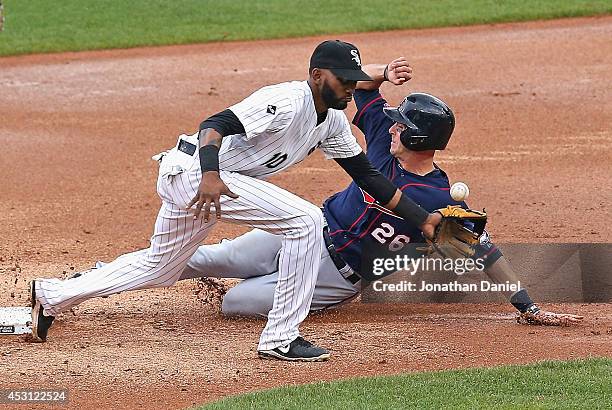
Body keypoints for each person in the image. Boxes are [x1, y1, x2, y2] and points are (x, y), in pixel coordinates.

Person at [30, 41, 443, 362]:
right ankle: (281, 338)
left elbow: (368, 176)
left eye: (355, 79)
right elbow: (215, 124)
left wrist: (421, 218)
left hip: (209, 181)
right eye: (343, 79)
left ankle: (51, 295)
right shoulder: (284, 100)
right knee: (304, 221)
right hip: (197, 173)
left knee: (160, 268)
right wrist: (209, 175)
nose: (352, 87)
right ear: (317, 76)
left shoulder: (332, 121)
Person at [178, 60, 584, 326]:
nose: (390, 126)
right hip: (308, 230)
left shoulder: (439, 199)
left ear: (416, 136)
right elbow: (363, 87)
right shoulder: (379, 140)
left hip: (336, 276)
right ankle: (116, 272)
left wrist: (528, 306)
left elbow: (486, 253)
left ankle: (286, 289)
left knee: (235, 304)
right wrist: (385, 71)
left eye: (399, 124)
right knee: (211, 258)